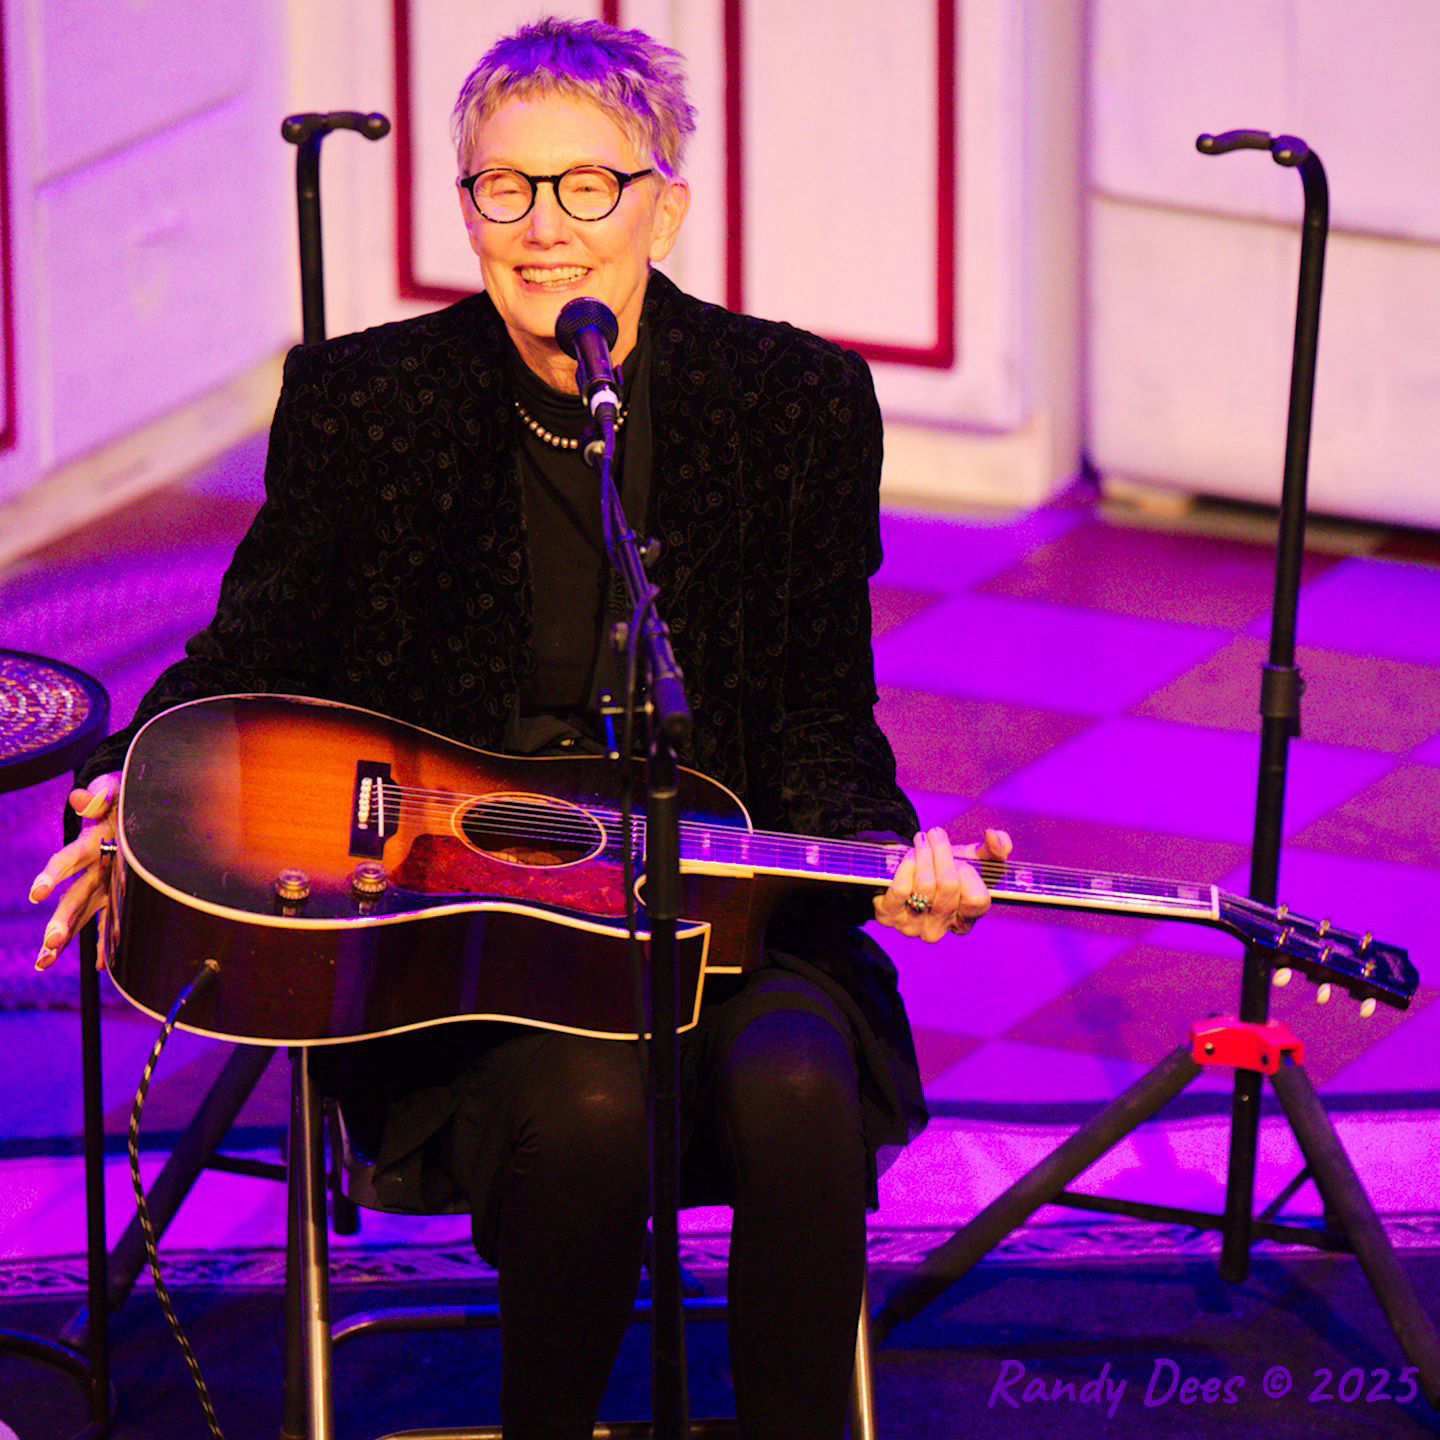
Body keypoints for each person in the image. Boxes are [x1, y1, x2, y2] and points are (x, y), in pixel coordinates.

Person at [29, 17, 1010, 1438]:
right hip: (463, 941)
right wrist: (149, 785)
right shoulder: (370, 404)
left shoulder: (794, 404)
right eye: (506, 187)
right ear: (468, 208)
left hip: (721, 914)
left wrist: (883, 857)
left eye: (588, 187)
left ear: (666, 206)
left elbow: (819, 714)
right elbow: (252, 654)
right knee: (589, 1110)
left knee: (799, 1088)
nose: (545, 229)